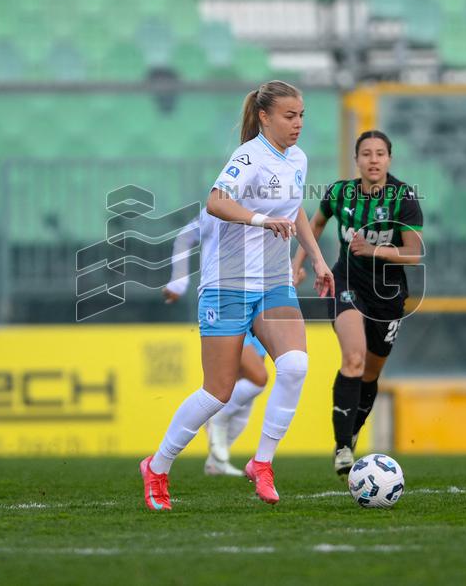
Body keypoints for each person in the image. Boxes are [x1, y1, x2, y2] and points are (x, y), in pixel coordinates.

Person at [140, 80, 334, 510]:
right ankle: (158, 466)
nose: (298, 123)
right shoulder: (248, 155)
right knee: (218, 392)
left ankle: (261, 463)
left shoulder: (297, 158)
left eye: (301, 115)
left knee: (296, 365)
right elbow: (215, 201)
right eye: (289, 115)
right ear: (264, 117)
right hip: (227, 282)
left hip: (273, 282)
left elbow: (296, 209)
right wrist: (262, 220)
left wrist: (317, 259)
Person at [292, 130, 423, 477]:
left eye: (380, 153)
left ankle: (352, 431)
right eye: (367, 153)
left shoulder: (403, 196)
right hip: (347, 282)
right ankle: (342, 447)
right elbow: (313, 224)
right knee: (353, 357)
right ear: (357, 159)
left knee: (370, 372)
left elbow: (414, 252)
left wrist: (373, 250)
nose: (374, 159)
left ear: (389, 159)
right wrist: (298, 264)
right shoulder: (339, 193)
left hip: (388, 294)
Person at [162, 211, 269, 477]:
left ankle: (216, 460)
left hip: (261, 297)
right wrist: (179, 280)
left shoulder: (270, 200)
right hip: (226, 298)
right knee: (257, 377)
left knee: (249, 389)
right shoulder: (222, 204)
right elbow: (185, 236)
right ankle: (217, 419)